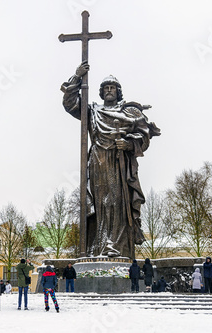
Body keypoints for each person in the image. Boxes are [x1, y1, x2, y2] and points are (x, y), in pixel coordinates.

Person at [61, 62, 161, 258]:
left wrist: (129, 145)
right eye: (105, 88)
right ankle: (98, 245)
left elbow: (144, 135)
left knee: (116, 203)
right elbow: (70, 104)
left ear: (118, 91)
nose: (109, 91)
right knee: (99, 205)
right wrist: (76, 77)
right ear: (101, 92)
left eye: (112, 88)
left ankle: (115, 245)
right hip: (98, 161)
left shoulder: (128, 113)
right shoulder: (93, 111)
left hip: (118, 162)